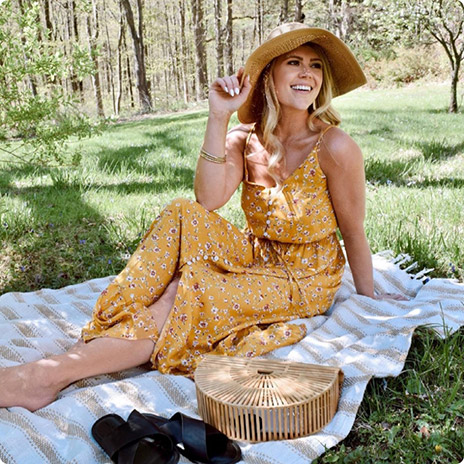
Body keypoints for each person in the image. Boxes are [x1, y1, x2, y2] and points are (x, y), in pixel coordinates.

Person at [0, 23, 404, 412]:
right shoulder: (245, 139)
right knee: (181, 213)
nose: (307, 74)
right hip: (255, 253)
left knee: (190, 287)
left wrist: (367, 298)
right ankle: (99, 340)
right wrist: (219, 116)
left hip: (305, 277)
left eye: (316, 65)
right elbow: (207, 200)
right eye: (294, 62)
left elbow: (353, 230)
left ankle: (46, 377)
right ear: (270, 76)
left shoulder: (335, 146)